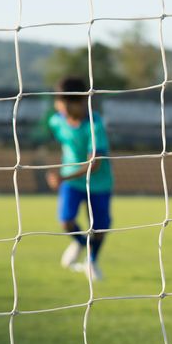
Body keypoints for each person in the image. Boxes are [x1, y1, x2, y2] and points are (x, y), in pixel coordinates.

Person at [46, 76, 112, 282]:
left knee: (100, 228)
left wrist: (63, 176)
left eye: (65, 103)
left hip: (98, 183)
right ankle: (82, 244)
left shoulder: (95, 124)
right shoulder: (56, 121)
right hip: (73, 182)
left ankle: (91, 261)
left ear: (80, 102)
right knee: (66, 221)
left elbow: (95, 163)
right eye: (58, 102)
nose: (60, 107)